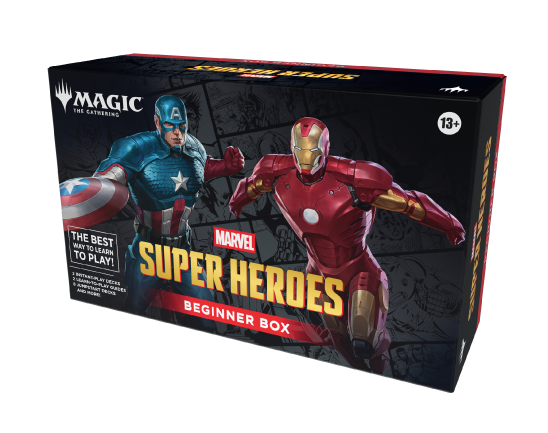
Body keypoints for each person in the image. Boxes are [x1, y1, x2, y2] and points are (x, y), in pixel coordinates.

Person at [229, 117, 464, 373]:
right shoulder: (275, 173)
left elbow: (409, 203)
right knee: (339, 341)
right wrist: (236, 202)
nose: (306, 159)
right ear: (292, 148)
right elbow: (250, 186)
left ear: (324, 148)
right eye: (299, 150)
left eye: (312, 150)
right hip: (317, 271)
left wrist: (450, 224)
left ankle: (382, 366)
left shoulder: (354, 180)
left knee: (364, 339)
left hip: (358, 270)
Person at [60, 95, 244, 328]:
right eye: (169, 125)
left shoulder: (193, 146)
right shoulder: (137, 148)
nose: (177, 133)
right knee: (135, 308)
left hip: (183, 251)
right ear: (157, 122)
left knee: (206, 316)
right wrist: (86, 193)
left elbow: (202, 168)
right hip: (148, 250)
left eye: (182, 126)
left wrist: (225, 167)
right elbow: (106, 178)